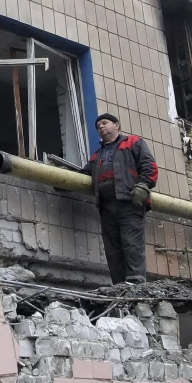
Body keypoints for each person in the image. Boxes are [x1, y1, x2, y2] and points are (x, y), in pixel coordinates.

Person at [84, 113, 158, 284]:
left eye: (104, 123)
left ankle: (136, 283)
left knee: (132, 244)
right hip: (107, 207)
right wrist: (61, 180)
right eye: (98, 126)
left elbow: (149, 165)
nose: (101, 127)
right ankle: (119, 286)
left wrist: (143, 186)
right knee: (112, 249)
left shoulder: (133, 142)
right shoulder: (97, 156)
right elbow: (83, 174)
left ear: (117, 125)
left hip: (129, 203)